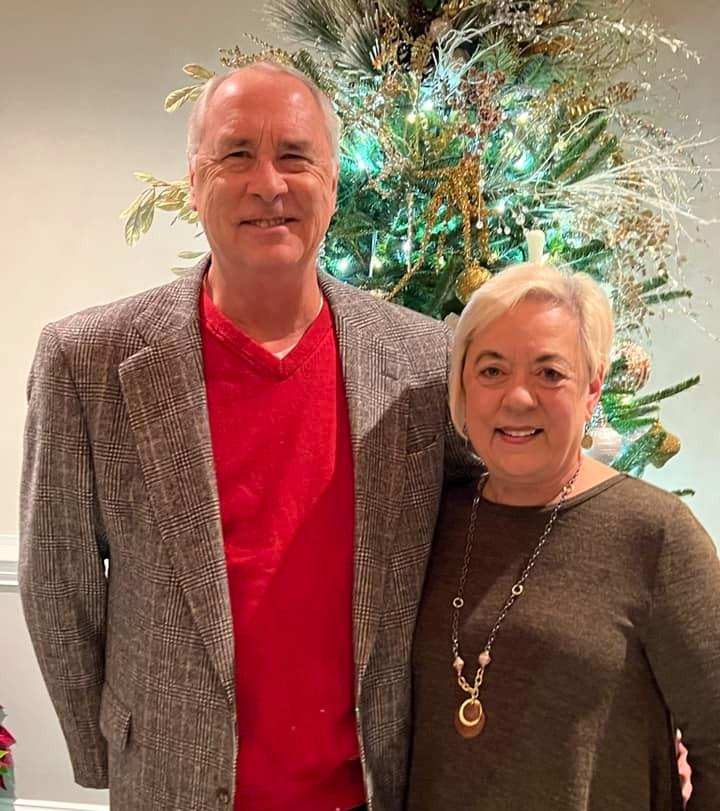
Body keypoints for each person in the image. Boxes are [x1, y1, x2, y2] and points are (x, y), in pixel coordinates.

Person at [19, 62, 473, 811]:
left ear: (332, 181)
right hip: (174, 784)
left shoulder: (423, 359)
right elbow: (57, 580)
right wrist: (108, 747)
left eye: (295, 155)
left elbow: (492, 525)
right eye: (236, 155)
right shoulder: (89, 361)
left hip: (366, 790)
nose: (270, 182)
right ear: (194, 183)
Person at [407, 256, 720, 810]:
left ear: (593, 387)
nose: (518, 398)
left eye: (549, 373)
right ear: (462, 383)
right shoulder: (433, 515)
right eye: (491, 370)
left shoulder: (656, 536)